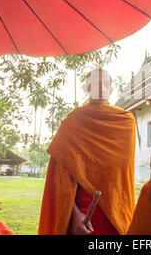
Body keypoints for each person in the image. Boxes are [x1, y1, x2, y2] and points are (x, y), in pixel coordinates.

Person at [38, 68, 136, 235]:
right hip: (82, 214)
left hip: (116, 209)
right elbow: (61, 178)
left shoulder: (125, 120)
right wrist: (75, 216)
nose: (101, 88)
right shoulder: (73, 122)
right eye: (95, 84)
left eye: (105, 84)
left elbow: (121, 172)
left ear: (111, 89)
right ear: (86, 88)